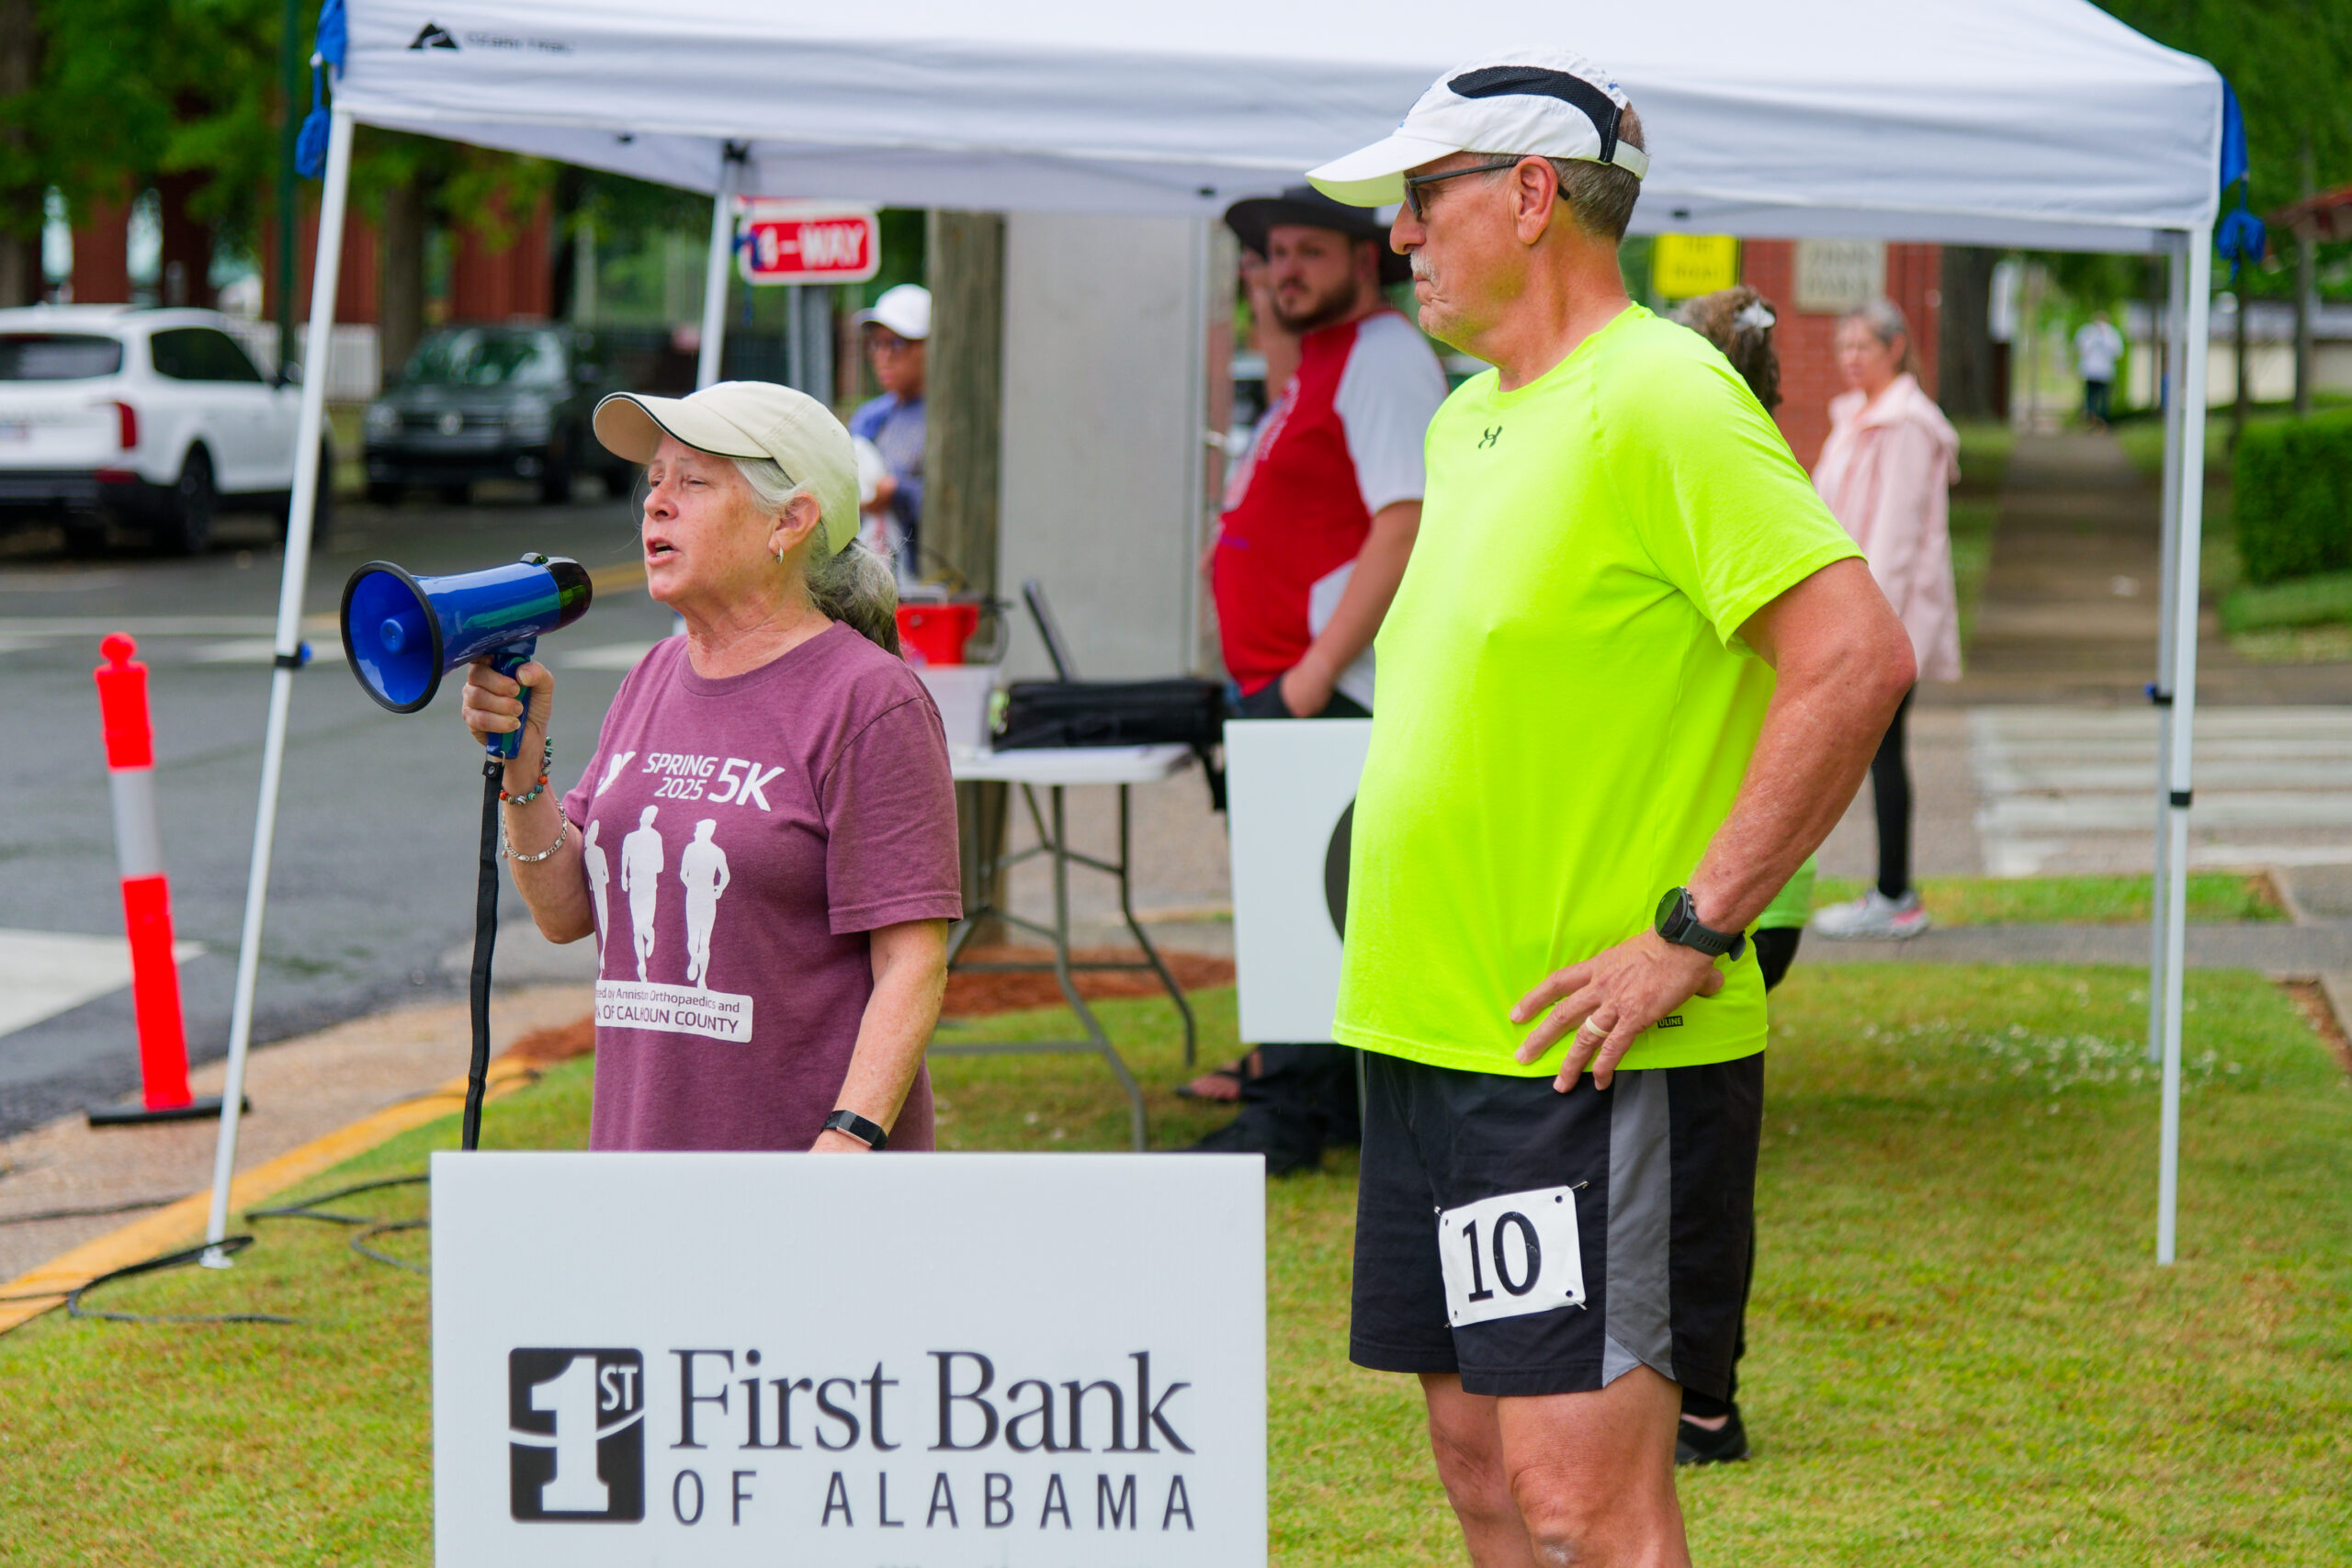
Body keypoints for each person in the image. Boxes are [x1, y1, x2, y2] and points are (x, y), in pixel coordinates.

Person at [1306, 48, 1914, 1564]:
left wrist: (1695, 927)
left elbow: (1854, 659)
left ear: (1527, 196)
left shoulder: (1662, 395)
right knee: (1481, 1474)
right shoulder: (1467, 420)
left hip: (1587, 1057)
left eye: (1421, 196)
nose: (1399, 231)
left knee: (1586, 1502)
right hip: (1432, 1033)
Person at [461, 379, 963, 1153]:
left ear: (789, 522)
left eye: (693, 481)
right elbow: (566, 913)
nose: (656, 503)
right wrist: (527, 774)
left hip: (800, 1174)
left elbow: (911, 959)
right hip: (643, 1163)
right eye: (654, 479)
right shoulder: (653, 675)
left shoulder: (869, 700)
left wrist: (847, 1140)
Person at [1186, 184, 1450, 1174]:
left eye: (1308, 252)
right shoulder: (1323, 360)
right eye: (1270, 255)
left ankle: (1286, 1120)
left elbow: (1404, 516)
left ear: (1362, 258)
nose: (1284, 269)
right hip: (1290, 682)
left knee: (1307, 904)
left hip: (1327, 690)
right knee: (1297, 899)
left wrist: (1314, 672)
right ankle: (1318, 1097)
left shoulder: (1380, 355)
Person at [1666, 284, 1811, 1466]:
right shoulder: (1762, 475)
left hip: (1717, 889)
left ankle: (1702, 1402)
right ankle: (1687, 1387)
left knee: (1697, 1153)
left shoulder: (1730, 484)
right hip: (1736, 885)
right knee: (1692, 1153)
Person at [1807, 299, 1960, 942]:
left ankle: (1895, 893)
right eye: (1843, 346)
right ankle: (1892, 889)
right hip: (1864, 611)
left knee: (1883, 750)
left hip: (1885, 616)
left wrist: (1869, 628)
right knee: (1882, 751)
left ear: (1895, 349)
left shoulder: (1904, 425)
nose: (1849, 358)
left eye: (1861, 347)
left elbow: (1894, 539)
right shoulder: (1859, 417)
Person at [848, 283, 929, 572]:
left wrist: (897, 493)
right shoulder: (870, 418)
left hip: (930, 575)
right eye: (876, 344)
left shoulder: (950, 421)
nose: (883, 356)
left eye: (896, 343)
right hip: (874, 575)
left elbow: (955, 502)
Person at [2075, 310, 2123, 428]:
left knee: (2104, 398)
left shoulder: (2112, 334)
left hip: (2105, 372)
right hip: (2090, 371)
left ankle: (2102, 421)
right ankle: (2091, 419)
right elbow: (2081, 349)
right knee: (2090, 397)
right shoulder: (2087, 332)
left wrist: (2104, 338)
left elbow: (2117, 352)